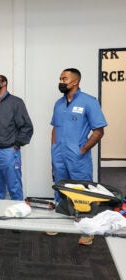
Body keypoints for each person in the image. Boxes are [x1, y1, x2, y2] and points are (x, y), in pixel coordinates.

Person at [50, 68, 107, 245]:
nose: (61, 81)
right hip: (59, 154)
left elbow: (99, 131)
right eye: (60, 77)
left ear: (75, 82)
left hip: (77, 157)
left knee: (83, 192)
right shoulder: (59, 104)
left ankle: (87, 231)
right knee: (60, 189)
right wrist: (53, 149)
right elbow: (55, 128)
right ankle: (59, 223)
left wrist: (82, 150)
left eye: (64, 78)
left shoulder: (89, 102)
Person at [0, 74, 33, 200]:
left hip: (8, 151)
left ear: (4, 83)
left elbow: (27, 126)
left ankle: (18, 214)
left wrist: (16, 145)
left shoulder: (16, 102)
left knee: (14, 186)